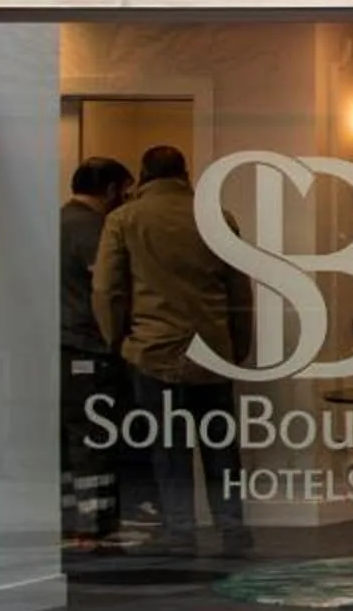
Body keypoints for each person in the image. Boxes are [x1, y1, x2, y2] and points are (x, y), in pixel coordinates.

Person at [92, 145, 252, 561]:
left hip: (153, 352)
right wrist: (239, 346)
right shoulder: (218, 218)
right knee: (221, 448)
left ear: (143, 175)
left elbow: (107, 290)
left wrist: (116, 341)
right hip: (213, 352)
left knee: (168, 450)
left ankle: (181, 532)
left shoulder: (123, 220)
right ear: (186, 172)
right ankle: (232, 528)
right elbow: (239, 291)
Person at [57, 157, 130, 553]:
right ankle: (93, 526)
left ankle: (72, 520)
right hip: (87, 346)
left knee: (68, 439)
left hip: (55, 346)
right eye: (126, 189)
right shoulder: (96, 231)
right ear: (112, 189)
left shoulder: (55, 222)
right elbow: (109, 290)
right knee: (92, 437)